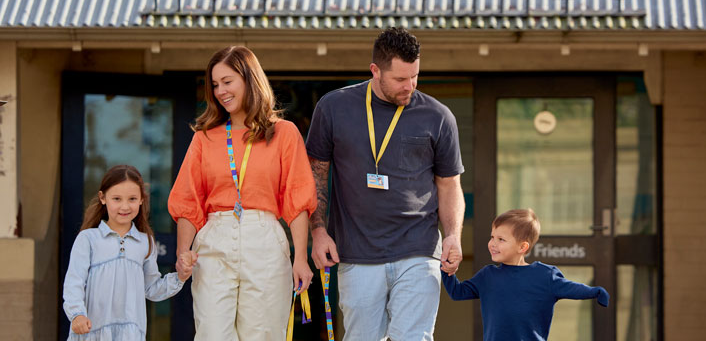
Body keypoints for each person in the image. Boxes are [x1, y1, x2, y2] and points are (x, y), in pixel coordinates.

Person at [306, 27, 466, 340]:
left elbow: (449, 185)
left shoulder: (439, 116)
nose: (410, 86)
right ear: (375, 71)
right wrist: (318, 230)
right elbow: (316, 174)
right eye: (400, 79)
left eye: (415, 76)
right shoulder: (333, 107)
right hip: (356, 253)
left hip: (418, 250)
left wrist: (453, 236)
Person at [168, 46, 316, 340]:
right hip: (214, 240)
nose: (220, 90)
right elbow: (188, 199)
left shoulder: (284, 133)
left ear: (249, 80)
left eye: (228, 81)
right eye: (215, 84)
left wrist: (301, 257)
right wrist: (183, 252)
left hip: (265, 240)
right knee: (212, 334)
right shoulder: (204, 137)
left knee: (262, 334)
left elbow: (297, 199)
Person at [63, 165, 193, 340]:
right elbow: (74, 282)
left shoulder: (145, 242)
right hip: (92, 333)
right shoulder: (88, 239)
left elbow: (152, 288)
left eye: (132, 199)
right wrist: (77, 314)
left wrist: (180, 277)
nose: (125, 206)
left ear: (141, 200)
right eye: (116, 198)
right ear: (103, 198)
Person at [441, 209, 610, 341]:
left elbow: (573, 288)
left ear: (522, 247)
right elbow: (458, 292)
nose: (492, 243)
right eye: (492, 237)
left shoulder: (545, 276)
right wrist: (447, 269)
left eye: (501, 239)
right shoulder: (487, 276)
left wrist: (596, 291)